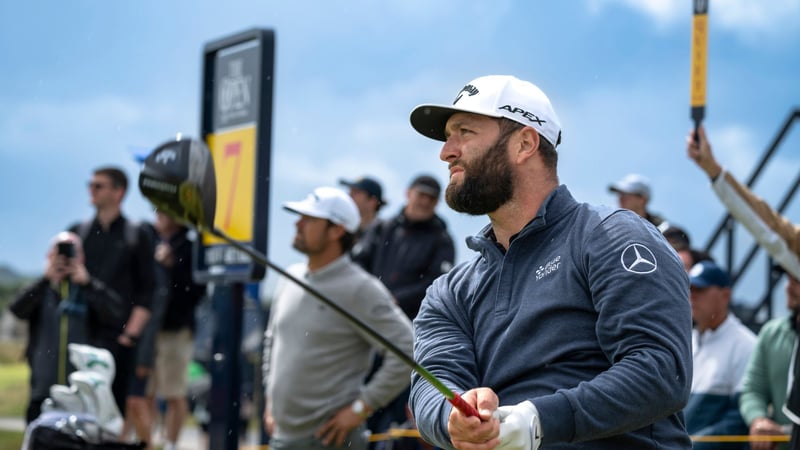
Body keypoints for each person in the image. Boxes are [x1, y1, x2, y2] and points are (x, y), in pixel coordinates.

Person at [407, 74, 693, 449]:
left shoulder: (612, 237)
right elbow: (433, 384)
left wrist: (538, 420)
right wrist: (453, 419)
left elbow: (661, 371)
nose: (447, 151)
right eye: (448, 136)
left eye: (464, 132)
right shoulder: (449, 292)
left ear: (525, 143)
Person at [262, 186, 414, 450]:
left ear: (336, 230)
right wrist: (269, 402)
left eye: (309, 219)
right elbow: (271, 342)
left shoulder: (360, 288)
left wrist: (360, 408)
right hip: (283, 437)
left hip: (331, 440)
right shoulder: (290, 276)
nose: (298, 223)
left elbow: (408, 349)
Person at [687, 126, 800, 447]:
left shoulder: (743, 341)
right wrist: (714, 171)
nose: (789, 285)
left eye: (699, 290)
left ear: (725, 295)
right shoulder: (773, 334)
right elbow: (768, 226)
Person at [352, 174, 456, 448]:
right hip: (368, 337)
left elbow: (438, 285)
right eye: (420, 194)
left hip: (413, 343)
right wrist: (375, 298)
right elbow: (357, 266)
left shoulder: (442, 239)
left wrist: (395, 300)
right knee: (362, 416)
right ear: (408, 193)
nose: (424, 201)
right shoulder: (382, 228)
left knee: (406, 422)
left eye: (431, 198)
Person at [68, 166, 156, 446]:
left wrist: (129, 336)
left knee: (112, 415)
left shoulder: (136, 234)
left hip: (117, 341)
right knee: (76, 413)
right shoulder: (78, 232)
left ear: (119, 192)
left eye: (99, 186)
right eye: (90, 185)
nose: (91, 191)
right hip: (80, 335)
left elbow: (148, 291)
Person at [10, 231, 125, 424]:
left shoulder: (89, 289)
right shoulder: (41, 290)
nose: (65, 259)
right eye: (58, 253)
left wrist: (88, 284)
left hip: (83, 392)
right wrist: (46, 280)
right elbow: (18, 309)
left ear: (82, 258)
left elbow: (115, 314)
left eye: (71, 253)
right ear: (49, 257)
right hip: (43, 389)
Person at [147, 211, 207, 450]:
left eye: (164, 210)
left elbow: (196, 292)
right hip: (150, 329)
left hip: (176, 329)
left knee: (174, 392)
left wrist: (174, 267)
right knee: (146, 391)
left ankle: (171, 444)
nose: (158, 215)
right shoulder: (150, 241)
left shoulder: (189, 247)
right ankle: (148, 440)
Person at [684, 260, 756, 449]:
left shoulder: (746, 344)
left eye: (700, 289)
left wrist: (690, 445)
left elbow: (739, 418)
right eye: (690, 289)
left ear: (725, 295)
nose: (692, 296)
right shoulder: (687, 340)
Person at [739, 272, 800, 450]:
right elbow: (752, 390)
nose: (787, 287)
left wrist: (783, 431)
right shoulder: (771, 333)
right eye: (788, 279)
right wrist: (759, 420)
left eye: (797, 280)